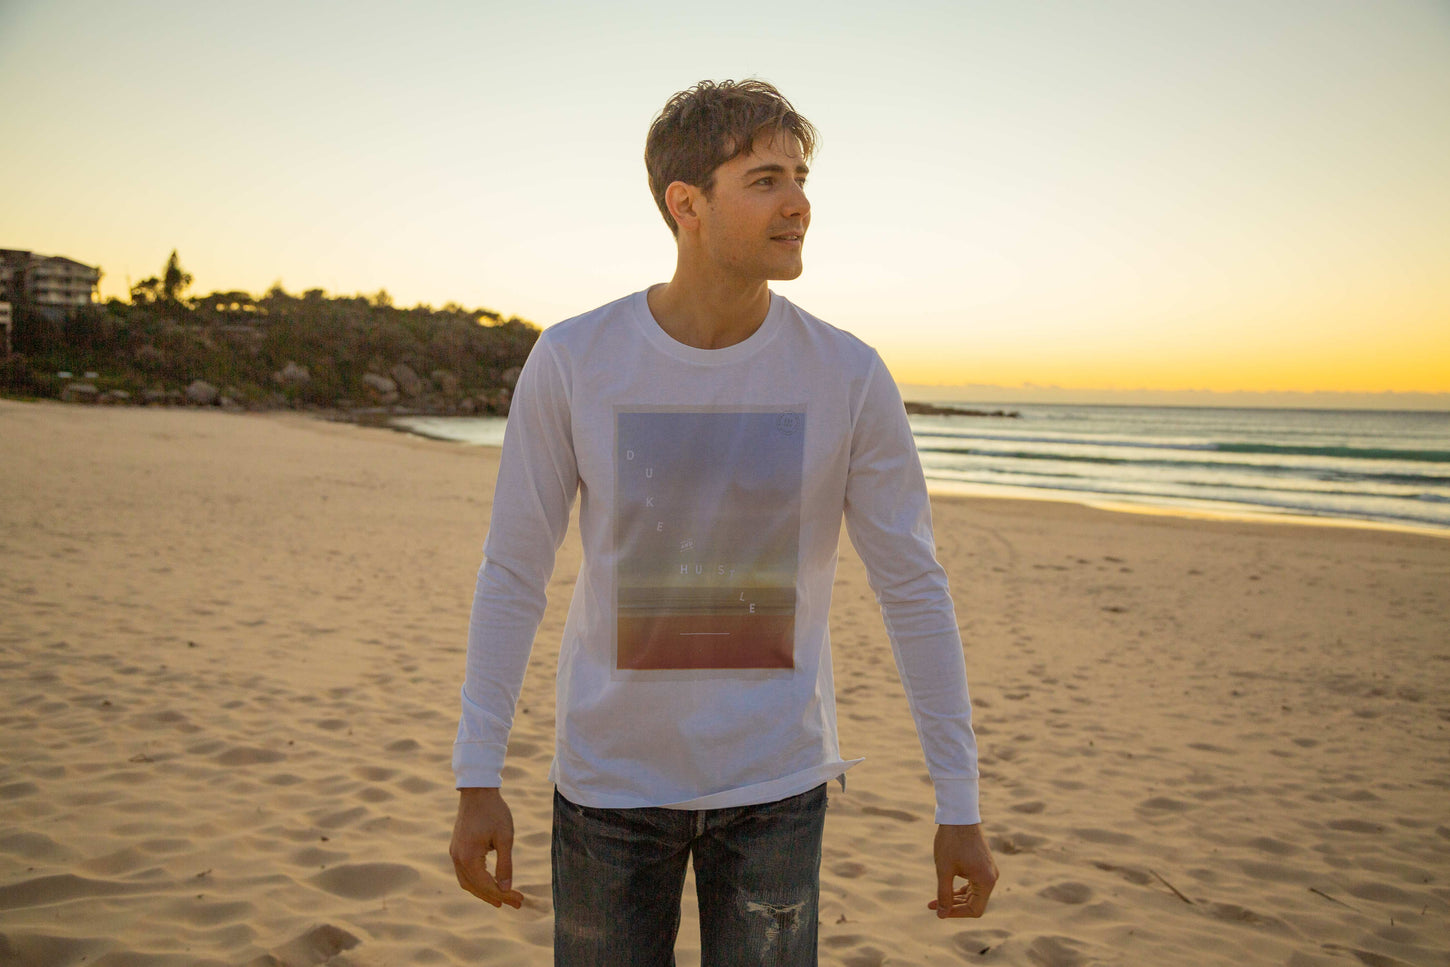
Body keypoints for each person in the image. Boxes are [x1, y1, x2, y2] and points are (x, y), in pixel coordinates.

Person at [450, 78, 997, 965]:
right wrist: (477, 776)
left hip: (776, 787)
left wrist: (959, 801)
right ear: (687, 203)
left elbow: (914, 587)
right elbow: (513, 570)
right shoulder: (577, 358)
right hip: (609, 786)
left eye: (803, 176)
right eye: (767, 179)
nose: (801, 204)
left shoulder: (848, 375)